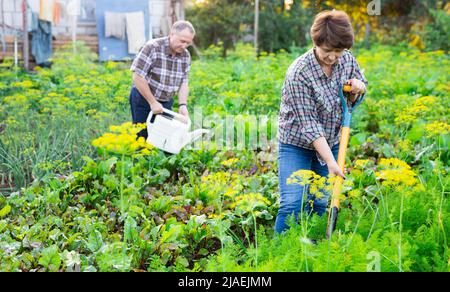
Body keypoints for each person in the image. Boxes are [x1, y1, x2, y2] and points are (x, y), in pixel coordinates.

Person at [275, 10, 368, 234]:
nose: (333, 57)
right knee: (292, 203)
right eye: (328, 51)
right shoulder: (299, 73)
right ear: (316, 42)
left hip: (333, 139)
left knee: (319, 202)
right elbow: (310, 126)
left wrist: (359, 86)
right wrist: (330, 162)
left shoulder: (346, 59)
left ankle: (313, 249)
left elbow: (361, 85)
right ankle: (279, 255)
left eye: (339, 51)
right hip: (296, 144)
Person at [129, 20, 195, 139]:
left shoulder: (186, 56)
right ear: (172, 34)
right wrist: (152, 102)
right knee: (142, 137)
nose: (184, 46)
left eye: (188, 43)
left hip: (166, 101)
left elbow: (184, 83)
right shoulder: (153, 47)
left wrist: (182, 105)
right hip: (144, 98)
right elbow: (138, 76)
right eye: (182, 41)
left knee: (161, 137)